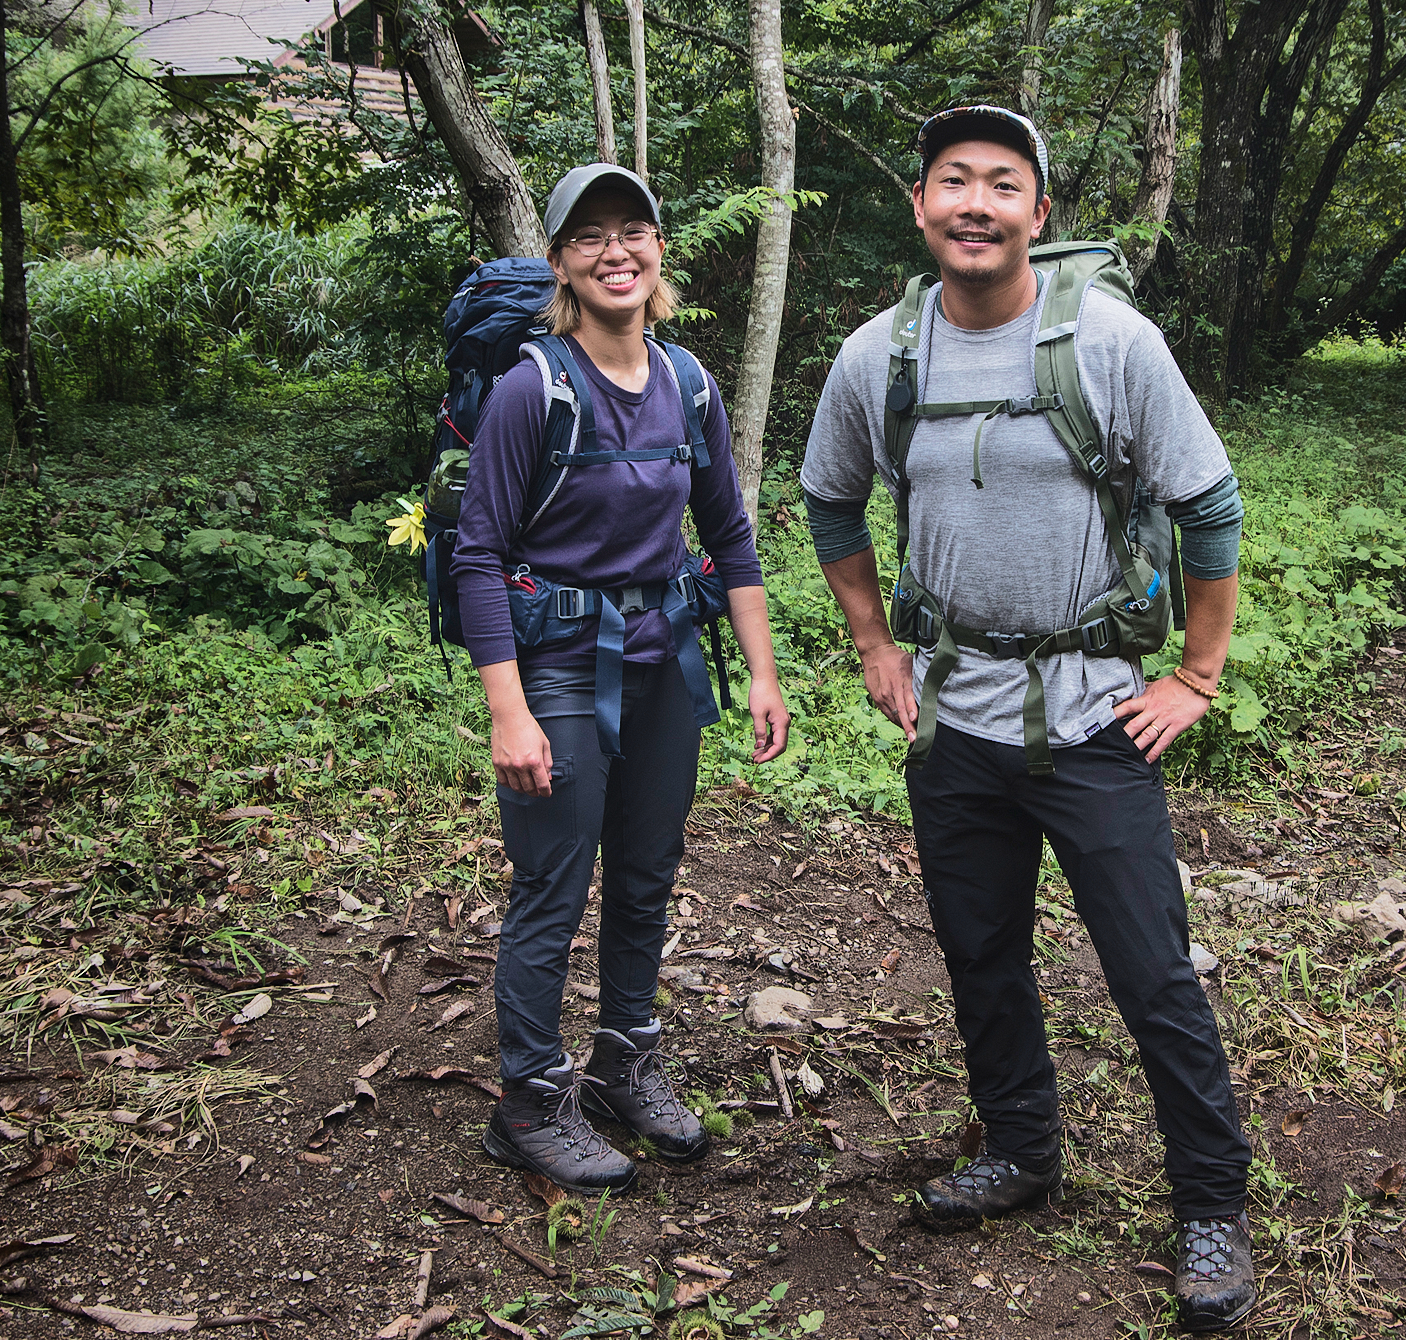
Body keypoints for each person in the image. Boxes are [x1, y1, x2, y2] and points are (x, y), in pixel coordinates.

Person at [798, 107, 1257, 1329]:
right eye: (956, 180)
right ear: (921, 204)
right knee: (981, 953)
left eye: (1005, 184)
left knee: (1152, 971)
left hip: (1099, 717)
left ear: (1037, 216)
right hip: (955, 721)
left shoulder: (1111, 342)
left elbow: (1209, 508)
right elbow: (828, 502)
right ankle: (1020, 1148)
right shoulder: (878, 358)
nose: (978, 203)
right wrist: (871, 642)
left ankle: (1211, 1202)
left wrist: (1196, 677)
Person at [453, 162, 790, 1195]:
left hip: (664, 666)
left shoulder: (688, 383)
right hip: (555, 666)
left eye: (633, 230)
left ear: (657, 252)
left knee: (645, 873)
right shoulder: (533, 388)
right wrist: (508, 712)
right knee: (553, 887)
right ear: (559, 260)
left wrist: (764, 675)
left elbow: (729, 534)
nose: (616, 251)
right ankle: (529, 1098)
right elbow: (477, 554)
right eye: (591, 235)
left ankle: (624, 1061)